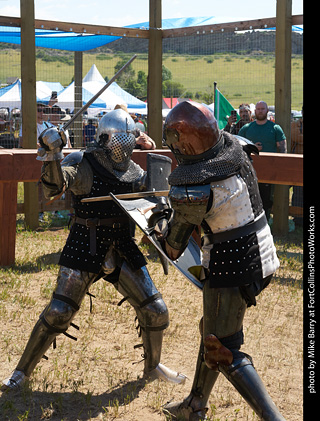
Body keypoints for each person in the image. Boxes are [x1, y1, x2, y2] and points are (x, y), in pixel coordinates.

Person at [1, 108, 186, 391]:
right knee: (59, 311)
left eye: (128, 140)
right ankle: (21, 371)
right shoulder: (83, 162)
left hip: (122, 245)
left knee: (156, 310)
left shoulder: (135, 171)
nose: (124, 146)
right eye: (120, 140)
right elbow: (55, 186)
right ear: (105, 138)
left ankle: (152, 367)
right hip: (85, 242)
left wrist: (161, 216)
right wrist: (53, 154)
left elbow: (153, 207)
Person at [157, 101, 285, 420]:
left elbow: (173, 248)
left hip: (232, 267)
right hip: (263, 252)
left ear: (181, 144)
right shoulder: (237, 148)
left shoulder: (194, 188)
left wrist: (159, 222)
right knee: (211, 331)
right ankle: (195, 403)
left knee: (222, 351)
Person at [238, 101, 287, 220]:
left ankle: (265, 221)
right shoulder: (246, 128)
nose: (260, 111)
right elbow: (237, 148)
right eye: (258, 109)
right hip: (249, 169)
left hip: (269, 170)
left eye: (262, 109)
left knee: (266, 198)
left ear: (267, 111)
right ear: (255, 112)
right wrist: (252, 148)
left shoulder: (275, 128)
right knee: (249, 197)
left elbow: (283, 149)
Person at [290, 106, 303, 226]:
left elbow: (299, 138)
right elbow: (295, 137)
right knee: (298, 191)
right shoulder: (295, 124)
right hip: (298, 164)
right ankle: (298, 218)